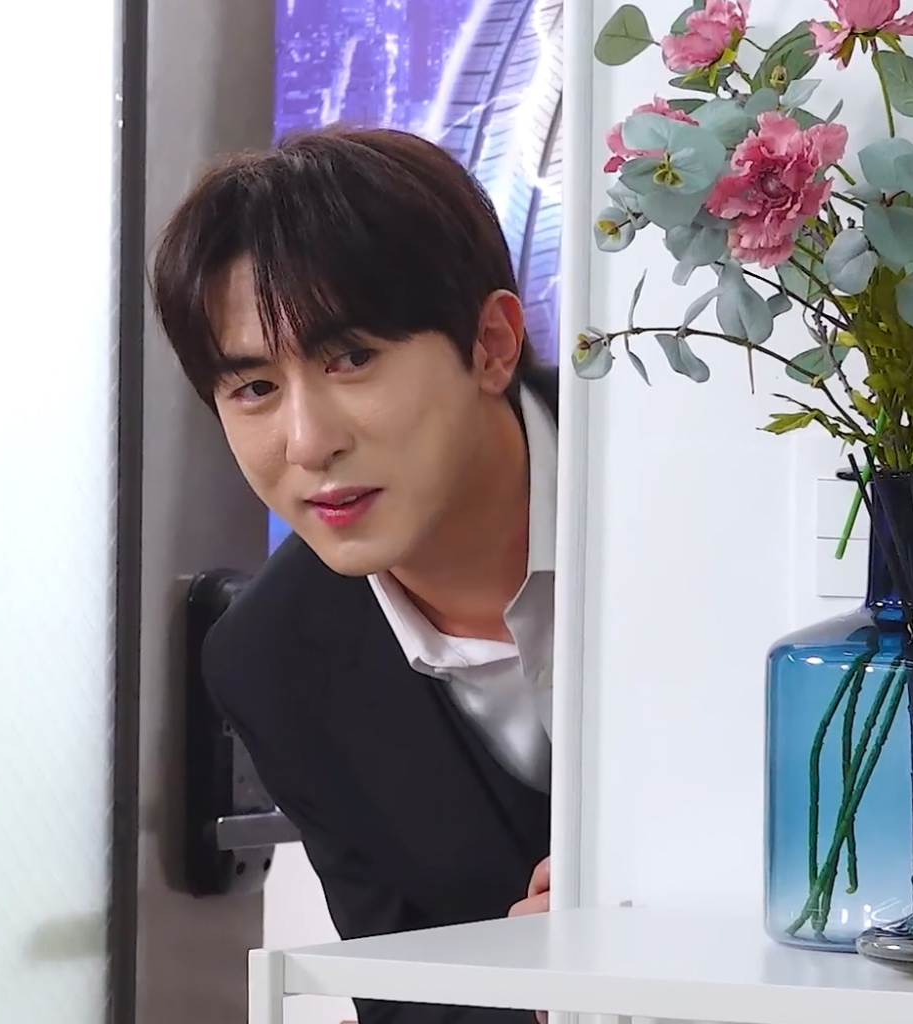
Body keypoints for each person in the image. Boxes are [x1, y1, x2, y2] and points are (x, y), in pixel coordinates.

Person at [152, 125, 555, 1024]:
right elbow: (399, 996)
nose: (307, 442)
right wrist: (543, 994)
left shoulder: (700, 483)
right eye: (254, 388)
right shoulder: (269, 660)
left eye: (352, 359)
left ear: (491, 343)